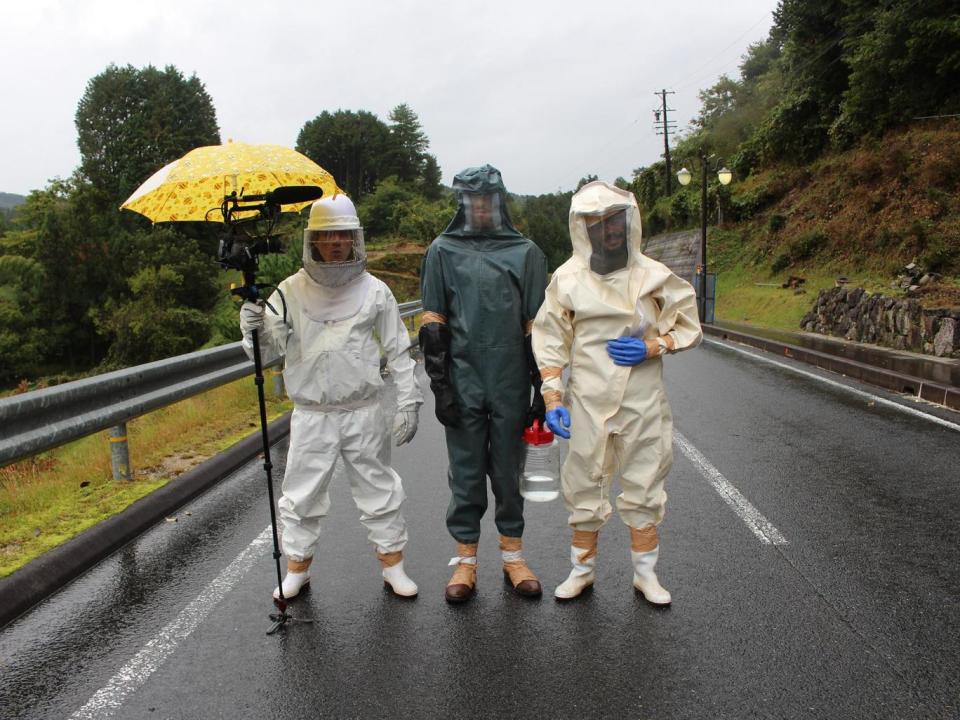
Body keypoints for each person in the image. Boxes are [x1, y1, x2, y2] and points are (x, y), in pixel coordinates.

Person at [239, 193, 422, 600]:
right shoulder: (288, 292)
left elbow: (399, 348)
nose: (336, 241)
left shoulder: (375, 291)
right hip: (311, 414)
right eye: (327, 234)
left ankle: (394, 567)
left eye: (343, 233)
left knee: (379, 491)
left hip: (364, 411)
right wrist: (252, 327)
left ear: (354, 238)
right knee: (301, 494)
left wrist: (409, 400)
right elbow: (266, 353)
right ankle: (297, 570)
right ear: (314, 241)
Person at [531, 180, 702, 603]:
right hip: (588, 401)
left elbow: (688, 325)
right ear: (583, 229)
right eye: (597, 223)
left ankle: (646, 574)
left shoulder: (654, 277)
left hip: (642, 402)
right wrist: (553, 398)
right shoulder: (568, 280)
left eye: (613, 221)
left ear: (628, 223)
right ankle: (581, 571)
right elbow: (551, 339)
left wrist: (652, 345)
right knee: (584, 482)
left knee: (644, 482)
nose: (607, 230)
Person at [419, 164, 548, 603]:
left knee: (509, 472)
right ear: (461, 203)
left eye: (486, 199)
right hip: (463, 375)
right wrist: (440, 384)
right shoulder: (442, 251)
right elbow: (433, 320)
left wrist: (541, 390)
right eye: (471, 199)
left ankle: (514, 557)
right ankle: (466, 563)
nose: (478, 206)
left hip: (510, 377)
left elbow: (537, 326)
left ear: (498, 202)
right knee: (467, 472)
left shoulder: (525, 252)